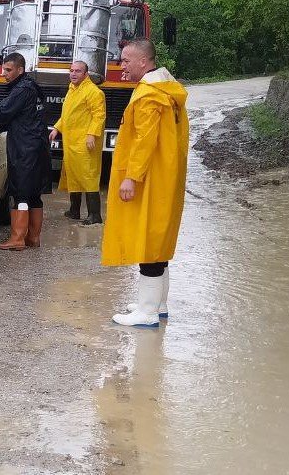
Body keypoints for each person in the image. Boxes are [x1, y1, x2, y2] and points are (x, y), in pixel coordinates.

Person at [101, 39, 189, 327]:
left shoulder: (149, 95)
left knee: (149, 242)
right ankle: (157, 304)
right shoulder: (167, 88)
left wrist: (131, 177)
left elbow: (144, 140)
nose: (121, 65)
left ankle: (147, 312)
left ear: (143, 61)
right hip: (166, 176)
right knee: (159, 240)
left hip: (150, 177)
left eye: (126, 60)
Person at [0, 52, 49, 250]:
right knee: (34, 195)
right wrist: (2, 127)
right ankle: (33, 238)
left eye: (8, 70)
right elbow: (24, 117)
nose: (2, 73)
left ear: (20, 70)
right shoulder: (33, 87)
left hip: (25, 149)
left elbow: (2, 112)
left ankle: (17, 239)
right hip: (38, 147)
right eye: (3, 69)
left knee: (21, 194)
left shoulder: (21, 90)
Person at [48, 60, 106, 224]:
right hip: (71, 140)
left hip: (85, 142)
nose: (73, 74)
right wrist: (57, 128)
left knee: (88, 176)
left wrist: (92, 135)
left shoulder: (94, 92)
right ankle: (74, 210)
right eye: (71, 70)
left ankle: (94, 215)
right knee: (73, 175)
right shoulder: (72, 89)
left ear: (85, 74)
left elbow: (99, 116)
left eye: (78, 71)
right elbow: (67, 113)